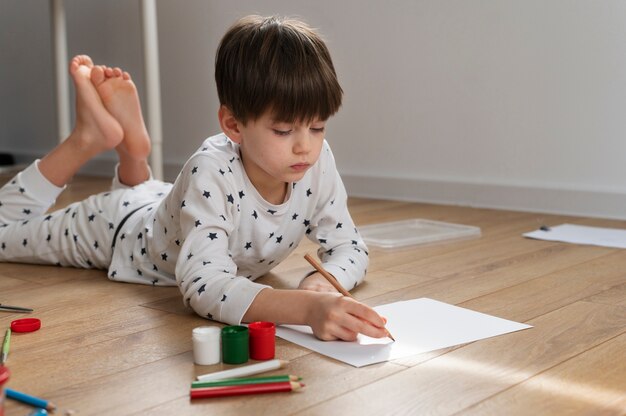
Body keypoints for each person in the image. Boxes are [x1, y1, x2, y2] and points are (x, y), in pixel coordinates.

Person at [0, 15, 388, 341]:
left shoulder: (315, 162)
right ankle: (85, 140)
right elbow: (205, 287)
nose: (305, 147)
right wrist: (306, 308)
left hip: (162, 207)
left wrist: (323, 283)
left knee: (148, 198)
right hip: (114, 228)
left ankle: (133, 155)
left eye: (318, 127)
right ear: (233, 125)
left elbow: (350, 246)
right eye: (284, 131)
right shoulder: (211, 170)